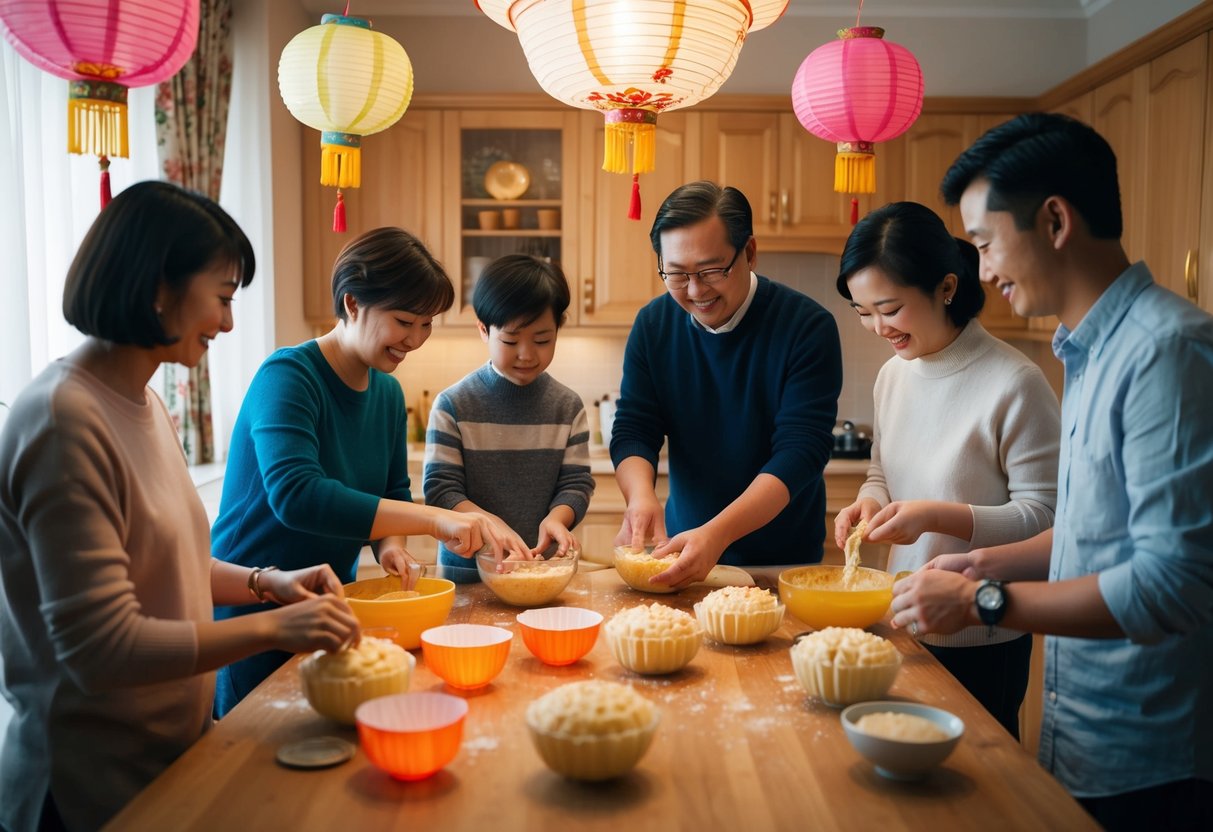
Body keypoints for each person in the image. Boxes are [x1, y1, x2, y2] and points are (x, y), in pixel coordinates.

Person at [0, 182, 361, 832]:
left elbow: (165, 563)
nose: (227, 322)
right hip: (86, 785)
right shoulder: (62, 420)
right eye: (222, 299)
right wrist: (273, 630)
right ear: (157, 287)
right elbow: (101, 649)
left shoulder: (143, 401)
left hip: (165, 755)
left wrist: (265, 585)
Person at [889, 113, 1213, 828]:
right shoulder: (1086, 353)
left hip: (1151, 753)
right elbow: (1091, 537)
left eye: (983, 242)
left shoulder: (1166, 351)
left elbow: (1174, 583)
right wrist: (982, 566)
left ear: (1055, 220)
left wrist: (984, 605)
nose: (980, 271)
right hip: (1083, 735)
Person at [211, 227, 526, 716]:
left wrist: (391, 549)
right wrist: (432, 521)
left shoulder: (385, 395)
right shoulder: (289, 376)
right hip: (253, 606)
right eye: (405, 321)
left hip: (328, 607)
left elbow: (390, 491)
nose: (416, 340)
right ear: (352, 302)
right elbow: (297, 495)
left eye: (427, 324)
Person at [833, 201, 1060, 738]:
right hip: (902, 619)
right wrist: (870, 499)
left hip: (983, 632)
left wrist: (936, 515)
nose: (876, 327)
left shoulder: (1016, 382)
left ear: (947, 288)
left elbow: (1050, 517)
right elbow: (881, 471)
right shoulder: (893, 374)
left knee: (982, 786)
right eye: (863, 311)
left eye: (889, 308)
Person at [610, 180, 843, 587]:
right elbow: (634, 428)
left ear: (749, 252)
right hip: (683, 551)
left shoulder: (807, 327)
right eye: (677, 274)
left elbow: (800, 452)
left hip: (783, 561)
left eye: (712, 270)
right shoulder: (653, 324)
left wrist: (718, 534)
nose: (696, 291)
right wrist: (640, 497)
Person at [424, 254, 595, 575]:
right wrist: (491, 525)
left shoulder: (567, 407)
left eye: (542, 340)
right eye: (511, 340)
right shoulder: (453, 405)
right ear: (483, 330)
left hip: (544, 568)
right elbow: (441, 491)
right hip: (469, 571)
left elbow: (577, 483)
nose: (527, 354)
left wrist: (557, 518)